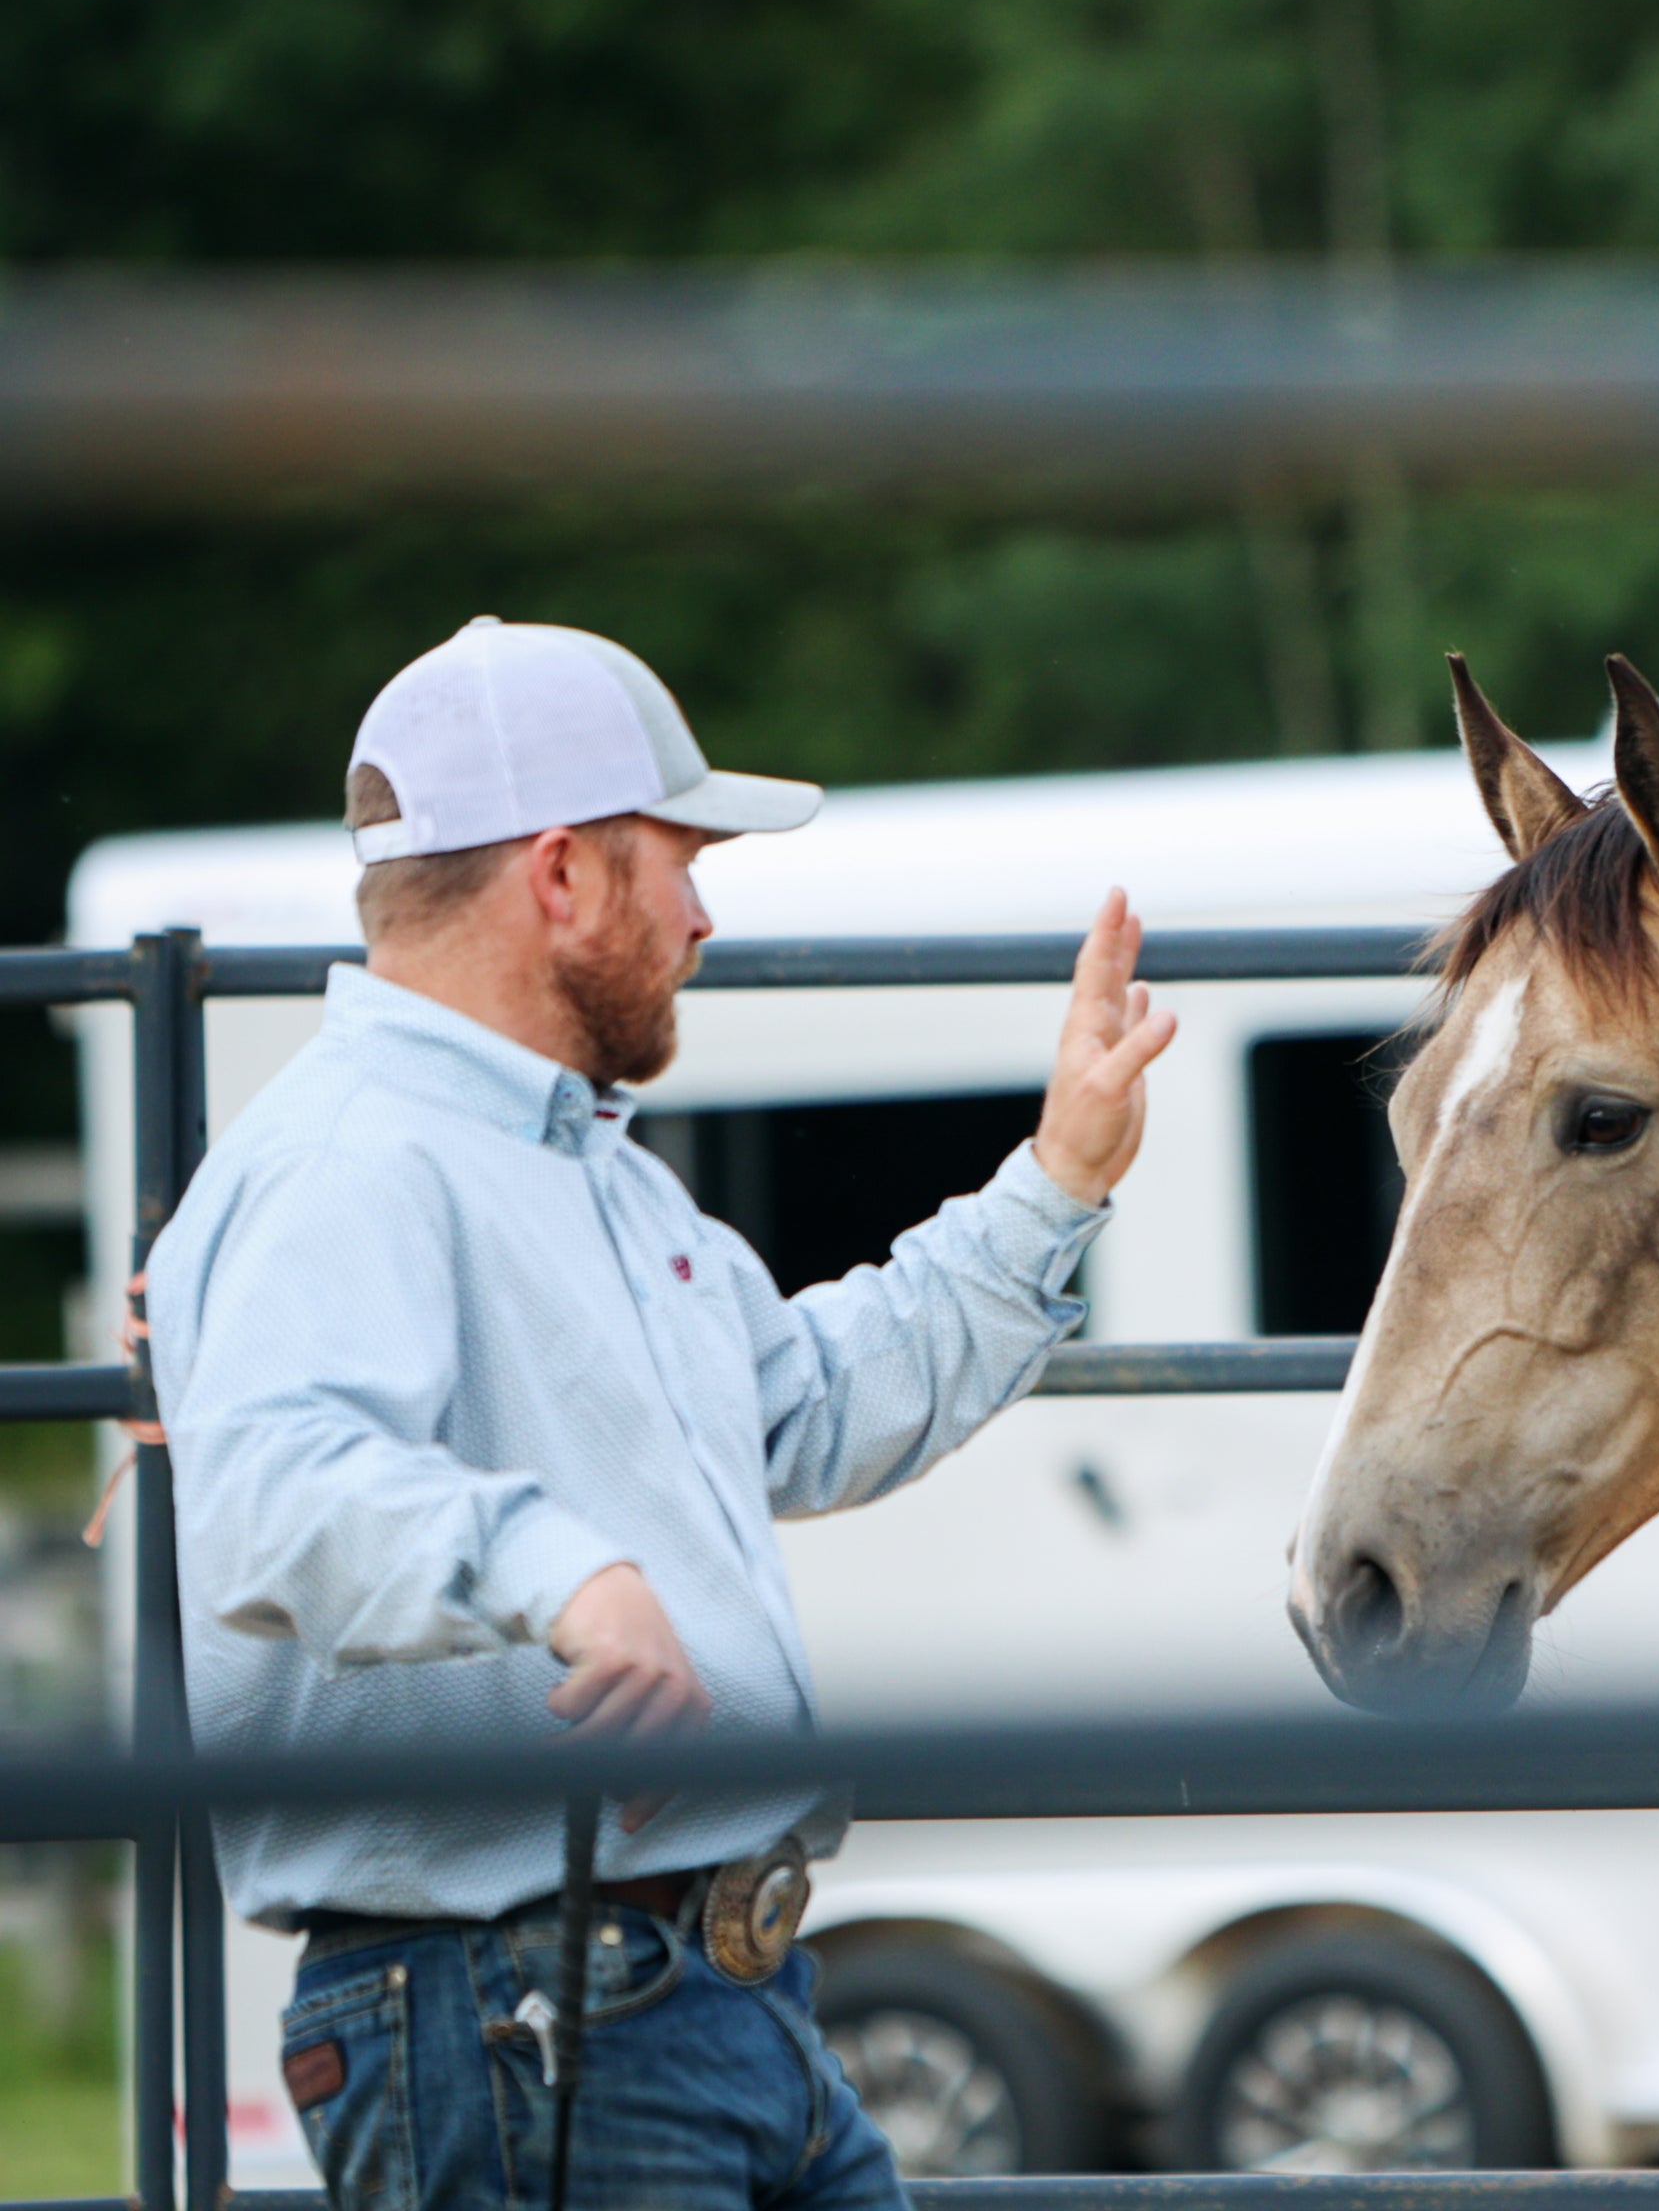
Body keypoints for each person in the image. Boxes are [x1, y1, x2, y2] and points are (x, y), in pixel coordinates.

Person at [143, 615, 1180, 2210]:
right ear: (560, 877)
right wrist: (562, 1570)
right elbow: (273, 1491)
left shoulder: (598, 1177)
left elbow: (811, 1407)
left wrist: (1058, 1181)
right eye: (677, 860)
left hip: (679, 1999)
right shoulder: (349, 1160)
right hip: (524, 2014)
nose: (703, 916)